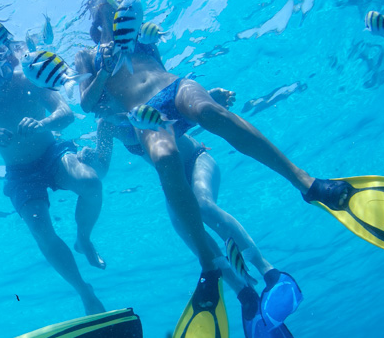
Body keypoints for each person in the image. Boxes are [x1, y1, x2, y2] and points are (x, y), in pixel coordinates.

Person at [73, 0, 384, 337]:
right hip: (145, 115)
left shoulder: (139, 36)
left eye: (120, 4)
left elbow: (156, 71)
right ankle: (224, 275)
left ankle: (308, 185)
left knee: (210, 112)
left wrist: (137, 25)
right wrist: (104, 70)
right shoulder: (89, 57)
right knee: (167, 160)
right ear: (96, 24)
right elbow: (86, 104)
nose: (118, 8)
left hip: (174, 89)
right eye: (110, 7)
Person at [82, 90, 295, 337]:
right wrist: (88, 160)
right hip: (175, 185)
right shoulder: (105, 126)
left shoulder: (134, 100)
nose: (97, 109)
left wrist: (210, 96)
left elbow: (180, 101)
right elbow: (102, 168)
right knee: (185, 229)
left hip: (197, 160)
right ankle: (245, 294)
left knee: (202, 205)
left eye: (98, 100)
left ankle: (268, 271)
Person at [0, 46, 107, 316]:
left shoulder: (30, 79)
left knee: (91, 183)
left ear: (10, 63)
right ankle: (84, 291)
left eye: (3, 72)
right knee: (40, 230)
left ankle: (83, 238)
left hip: (53, 153)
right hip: (19, 171)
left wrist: (44, 124)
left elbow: (66, 112)